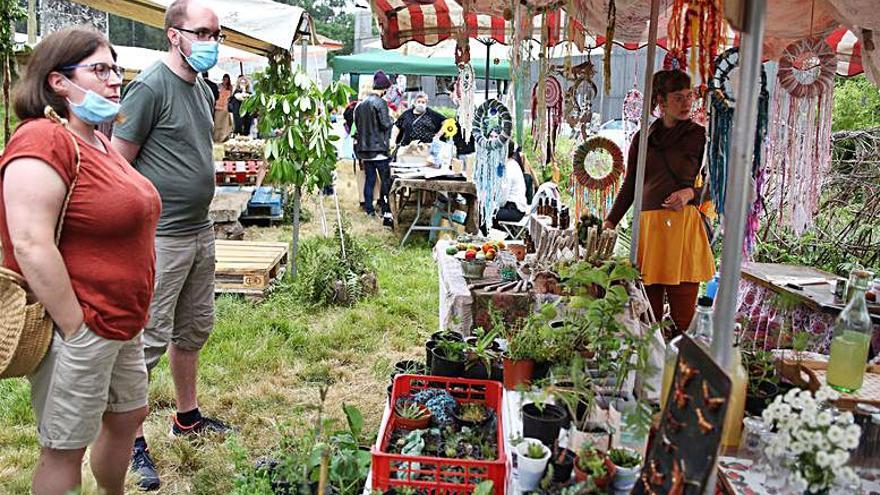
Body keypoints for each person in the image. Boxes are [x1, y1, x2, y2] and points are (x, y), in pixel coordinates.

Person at [0, 27, 161, 495]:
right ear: (57, 82)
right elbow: (30, 242)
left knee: (128, 415)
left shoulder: (97, 140)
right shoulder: (42, 140)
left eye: (116, 68)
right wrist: (75, 325)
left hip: (121, 319)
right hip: (82, 322)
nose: (115, 79)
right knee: (64, 447)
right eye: (99, 69)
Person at [111, 0, 230, 490]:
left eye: (216, 33)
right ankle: (132, 440)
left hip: (200, 231)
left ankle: (186, 415)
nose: (211, 42)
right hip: (160, 238)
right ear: (174, 35)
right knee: (148, 342)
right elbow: (118, 163)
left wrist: (222, 105)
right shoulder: (149, 87)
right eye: (202, 32)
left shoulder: (200, 88)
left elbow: (210, 142)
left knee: (193, 329)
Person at [603, 69, 714, 335]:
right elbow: (631, 185)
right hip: (649, 229)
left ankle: (688, 373)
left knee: (685, 321)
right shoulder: (644, 137)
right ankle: (651, 374)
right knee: (648, 321)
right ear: (661, 102)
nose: (687, 103)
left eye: (689, 97)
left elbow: (718, 184)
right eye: (678, 98)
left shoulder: (700, 136)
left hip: (683, 227)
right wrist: (609, 221)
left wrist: (690, 194)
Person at [353, 70, 394, 217]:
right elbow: (384, 124)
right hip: (379, 150)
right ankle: (385, 209)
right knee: (385, 181)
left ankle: (369, 210)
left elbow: (357, 126)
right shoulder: (381, 103)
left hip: (365, 150)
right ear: (384, 89)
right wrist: (392, 120)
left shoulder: (360, 105)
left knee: (369, 180)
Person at [494, 142, 529, 226]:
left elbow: (503, 197)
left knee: (483, 214)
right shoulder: (511, 164)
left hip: (514, 210)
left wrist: (493, 205)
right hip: (513, 208)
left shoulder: (509, 168)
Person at [213, 73, 233, 142]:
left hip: (225, 107)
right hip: (218, 106)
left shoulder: (230, 87)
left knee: (224, 124)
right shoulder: (219, 86)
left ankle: (223, 137)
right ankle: (216, 137)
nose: (225, 81)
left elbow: (230, 97)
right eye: (224, 79)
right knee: (217, 123)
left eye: (226, 80)